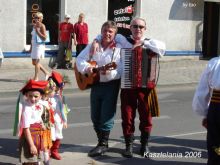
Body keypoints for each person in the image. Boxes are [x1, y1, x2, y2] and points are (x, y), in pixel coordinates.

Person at [91, 17, 165, 158]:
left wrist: (143, 42)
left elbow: (162, 47)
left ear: (145, 29)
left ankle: (144, 145)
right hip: (128, 85)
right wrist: (95, 40)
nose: (138, 29)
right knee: (127, 116)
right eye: (135, 26)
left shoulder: (152, 43)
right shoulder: (122, 40)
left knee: (146, 117)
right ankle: (129, 146)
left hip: (146, 87)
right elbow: (106, 33)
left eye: (141, 27)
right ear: (130, 28)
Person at [76, 21, 122, 157]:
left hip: (110, 84)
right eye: (105, 31)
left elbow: (120, 70)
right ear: (101, 32)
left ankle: (103, 144)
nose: (107, 34)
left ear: (115, 34)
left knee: (106, 115)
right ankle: (100, 141)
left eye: (110, 31)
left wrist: (110, 73)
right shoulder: (93, 45)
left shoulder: (118, 48)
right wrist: (88, 68)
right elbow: (79, 59)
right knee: (95, 115)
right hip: (95, 83)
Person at [13, 79, 52, 165]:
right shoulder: (27, 108)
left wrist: (42, 124)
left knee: (36, 160)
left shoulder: (39, 104)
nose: (33, 99)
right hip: (30, 138)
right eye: (30, 96)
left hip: (38, 136)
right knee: (30, 161)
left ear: (41, 96)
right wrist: (31, 145)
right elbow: (26, 128)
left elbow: (39, 117)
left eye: (36, 96)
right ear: (26, 94)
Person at [192, 57, 220, 165]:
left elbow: (202, 92)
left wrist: (204, 113)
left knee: (215, 144)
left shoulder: (214, 63)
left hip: (216, 108)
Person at [47, 71, 68, 160]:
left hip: (57, 119)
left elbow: (63, 110)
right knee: (49, 135)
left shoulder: (60, 97)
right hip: (48, 120)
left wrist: (65, 120)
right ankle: (47, 151)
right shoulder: (45, 97)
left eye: (56, 87)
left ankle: (55, 151)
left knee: (58, 134)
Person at [29, 12, 50, 81]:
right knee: (34, 62)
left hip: (39, 46)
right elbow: (32, 37)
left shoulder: (42, 26)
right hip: (34, 46)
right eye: (35, 17)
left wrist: (38, 32)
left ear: (41, 19)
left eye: (38, 18)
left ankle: (36, 77)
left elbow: (44, 38)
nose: (37, 19)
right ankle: (46, 72)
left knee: (37, 62)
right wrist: (31, 47)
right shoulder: (34, 26)